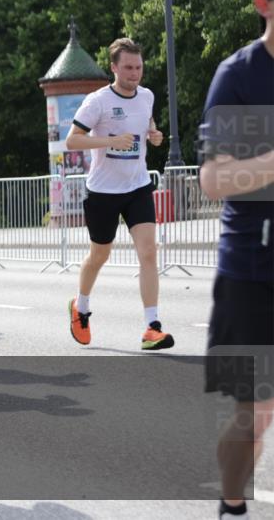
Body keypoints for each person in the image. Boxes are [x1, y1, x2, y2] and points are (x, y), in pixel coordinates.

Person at [198, 0, 274, 520]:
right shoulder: (242, 76)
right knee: (257, 414)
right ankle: (231, 505)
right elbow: (215, 179)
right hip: (255, 270)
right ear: (263, 5)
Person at [65, 38, 170, 350]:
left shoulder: (147, 96)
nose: (135, 73)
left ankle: (152, 326)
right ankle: (80, 307)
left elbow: (147, 126)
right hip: (102, 191)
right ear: (114, 68)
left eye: (138, 67)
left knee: (149, 252)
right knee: (100, 255)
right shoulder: (97, 101)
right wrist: (109, 142)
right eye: (128, 67)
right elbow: (72, 141)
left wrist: (154, 135)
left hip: (137, 186)